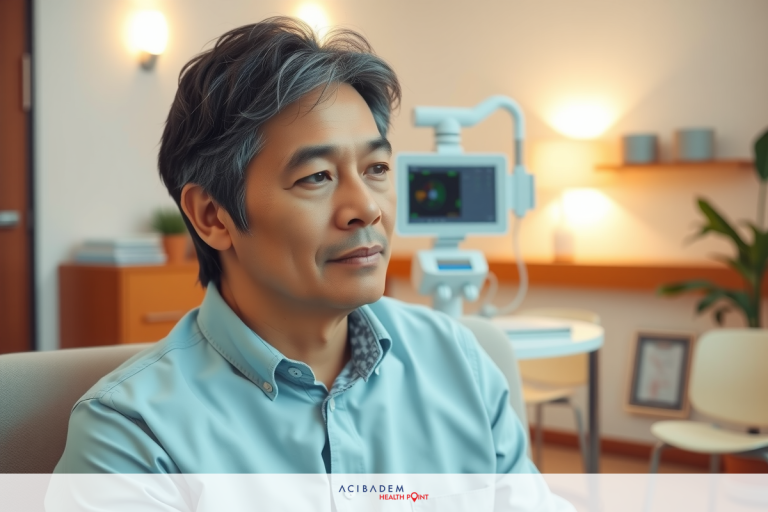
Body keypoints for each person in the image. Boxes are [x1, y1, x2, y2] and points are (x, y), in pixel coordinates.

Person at [55, 16, 537, 478]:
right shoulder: (132, 435)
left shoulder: (457, 362)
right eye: (316, 177)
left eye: (376, 169)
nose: (366, 209)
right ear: (212, 216)